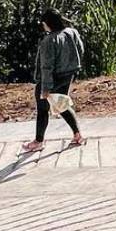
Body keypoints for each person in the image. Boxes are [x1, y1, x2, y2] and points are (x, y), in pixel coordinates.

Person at [22, 10, 86, 153]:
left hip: (51, 79)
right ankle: (77, 134)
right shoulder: (72, 32)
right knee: (62, 104)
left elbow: (47, 67)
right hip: (68, 75)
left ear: (47, 24)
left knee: (43, 110)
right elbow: (81, 50)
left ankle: (38, 141)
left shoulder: (48, 41)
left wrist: (45, 88)